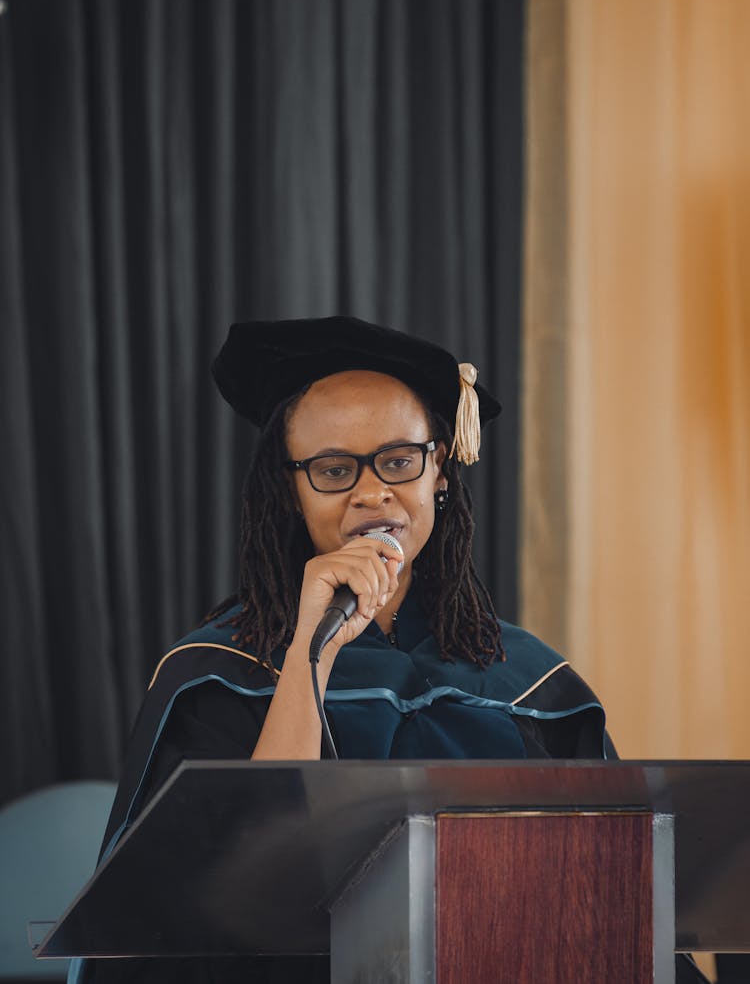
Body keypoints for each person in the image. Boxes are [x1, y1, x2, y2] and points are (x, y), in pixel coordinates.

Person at [71, 316, 708, 983]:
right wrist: (308, 651)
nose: (372, 491)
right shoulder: (217, 674)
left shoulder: (529, 681)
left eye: (399, 460)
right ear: (290, 490)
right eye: (334, 469)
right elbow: (218, 908)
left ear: (439, 468)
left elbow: (621, 903)